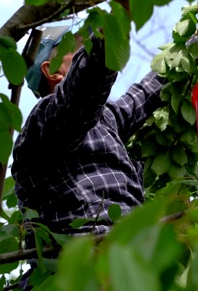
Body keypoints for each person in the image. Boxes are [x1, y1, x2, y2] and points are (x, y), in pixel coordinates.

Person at [11, 25, 165, 287]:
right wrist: (114, 24)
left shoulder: (106, 119)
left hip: (132, 259)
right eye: (80, 48)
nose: (87, 51)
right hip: (82, 268)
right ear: (52, 71)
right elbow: (84, 87)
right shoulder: (44, 122)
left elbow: (146, 92)